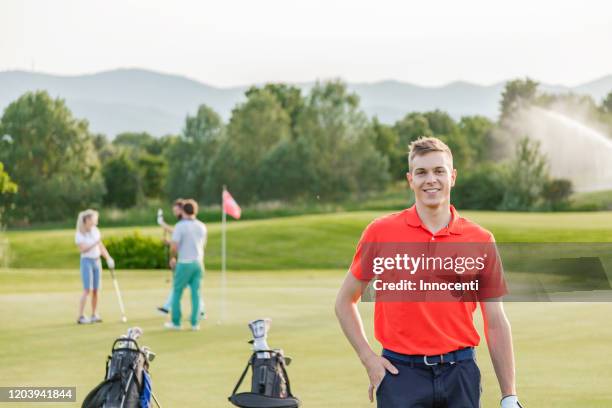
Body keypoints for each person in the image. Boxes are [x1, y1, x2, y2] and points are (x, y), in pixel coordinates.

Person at [335, 137, 522, 407]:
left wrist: (509, 395)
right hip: (400, 375)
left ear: (453, 177)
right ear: (410, 179)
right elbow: (344, 301)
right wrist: (368, 359)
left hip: (461, 373)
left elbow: (495, 321)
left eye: (439, 171)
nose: (430, 179)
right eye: (421, 172)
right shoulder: (381, 232)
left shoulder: (480, 239)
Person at [165, 199, 207, 330]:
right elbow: (203, 245)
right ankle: (195, 323)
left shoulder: (180, 226)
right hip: (198, 263)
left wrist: (172, 258)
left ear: (183, 211)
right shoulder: (202, 226)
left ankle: (176, 322)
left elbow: (174, 246)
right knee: (196, 293)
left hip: (184, 263)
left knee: (177, 292)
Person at [75, 209, 115, 325]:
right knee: (87, 289)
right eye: (93, 219)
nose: (95, 221)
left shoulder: (96, 231)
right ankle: (81, 316)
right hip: (86, 261)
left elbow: (100, 246)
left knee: (96, 290)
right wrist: (95, 243)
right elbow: (82, 249)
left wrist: (108, 258)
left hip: (97, 261)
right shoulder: (79, 233)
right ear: (87, 220)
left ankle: (94, 314)